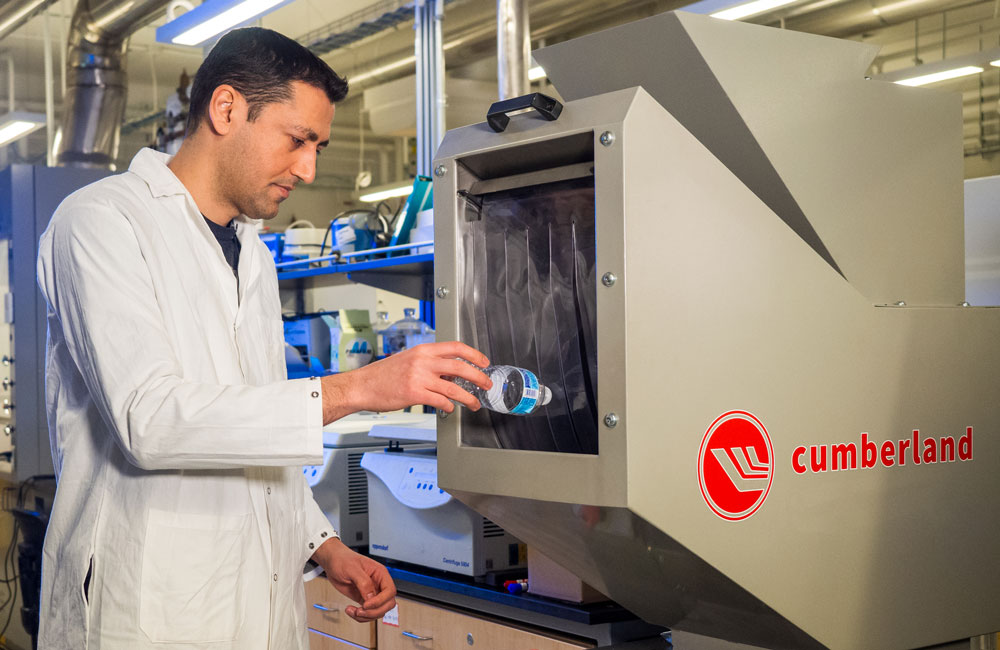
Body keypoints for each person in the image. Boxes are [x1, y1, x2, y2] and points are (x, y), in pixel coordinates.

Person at [35, 27, 492, 650]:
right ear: (226, 109)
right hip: (145, 612)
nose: (308, 168)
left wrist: (323, 545)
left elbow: (254, 436)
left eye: (318, 147)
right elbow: (151, 419)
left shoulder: (253, 254)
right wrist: (357, 389)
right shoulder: (102, 222)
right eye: (297, 139)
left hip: (261, 609)